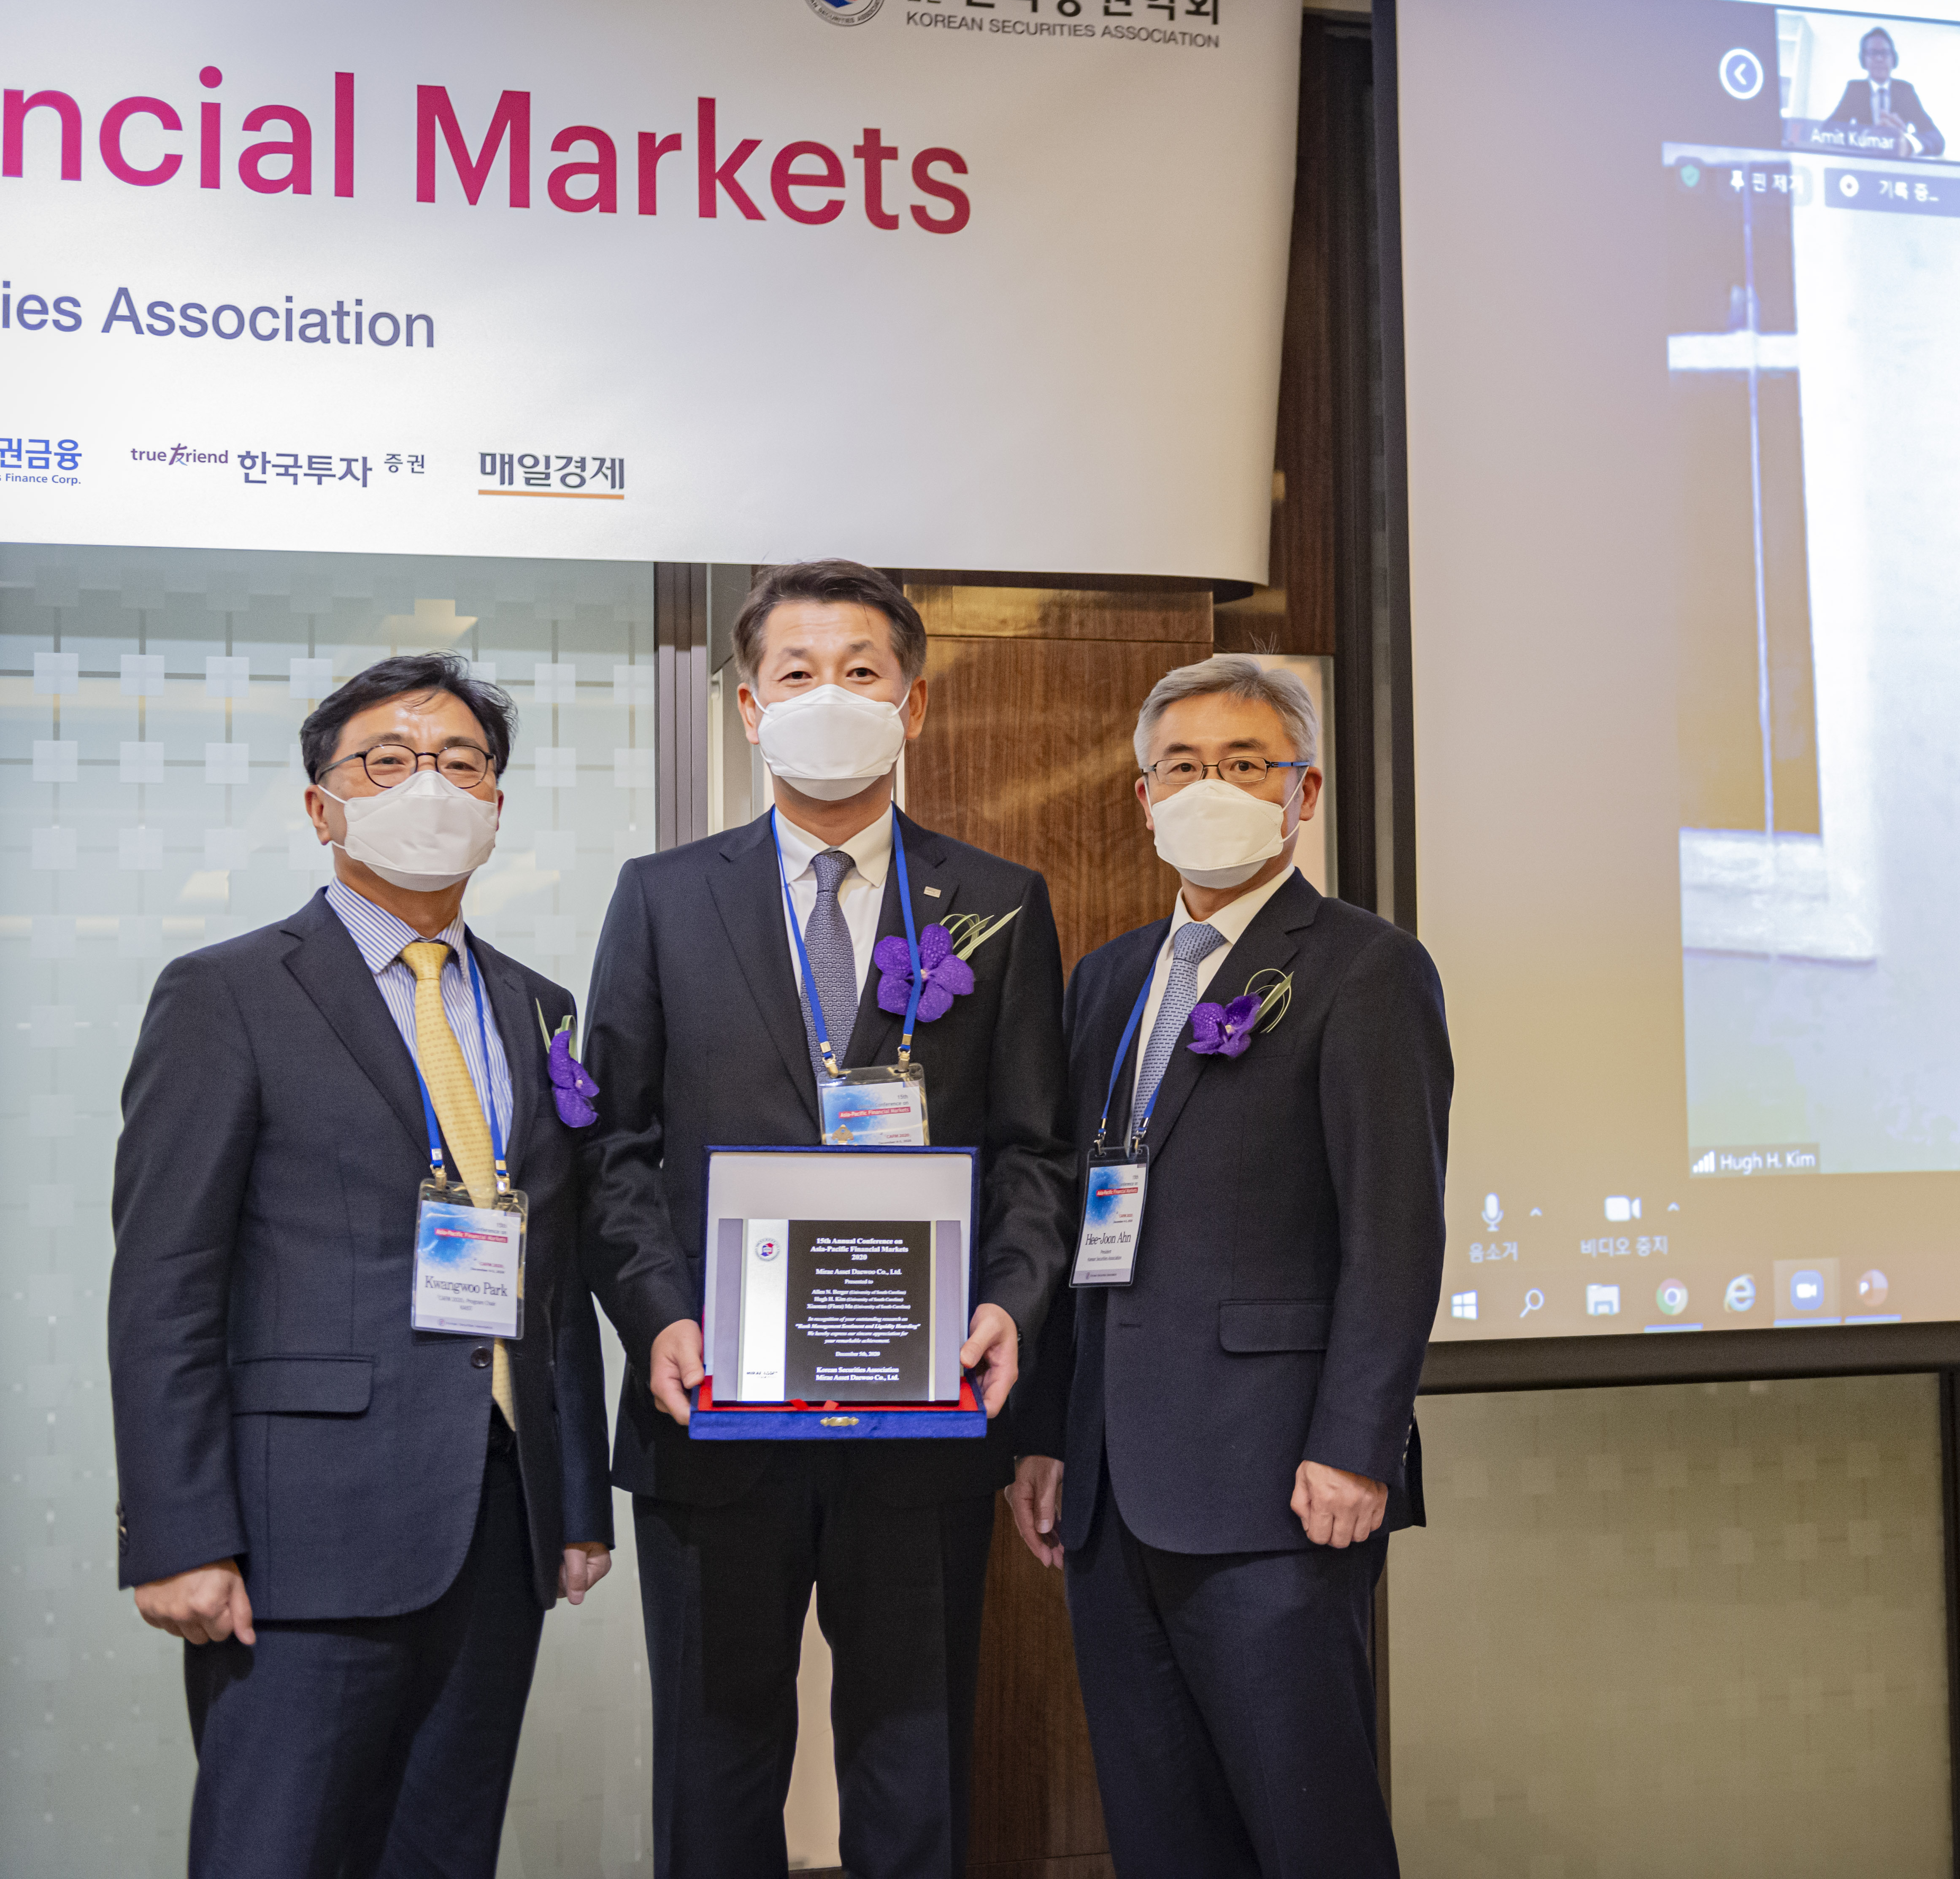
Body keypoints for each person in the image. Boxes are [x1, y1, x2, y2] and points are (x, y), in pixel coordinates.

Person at [578, 560, 1071, 1879]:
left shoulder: (1000, 900)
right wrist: (657, 1314)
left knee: (916, 1770)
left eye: (861, 670)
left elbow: (1036, 1150)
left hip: (922, 1411)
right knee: (714, 1767)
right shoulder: (662, 896)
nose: (828, 694)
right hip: (712, 1407)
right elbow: (614, 1145)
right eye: (796, 672)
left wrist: (1009, 1302)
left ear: (913, 703)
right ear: (749, 706)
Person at [109, 653, 619, 1878]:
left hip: (495, 1525)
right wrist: (177, 1531)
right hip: (300, 1535)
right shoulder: (229, 993)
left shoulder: (538, 1007)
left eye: (460, 762)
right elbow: (167, 1279)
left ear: (496, 801)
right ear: (321, 805)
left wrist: (575, 1502)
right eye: (387, 761)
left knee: (444, 1853)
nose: (428, 784)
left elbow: (549, 1277)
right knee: (278, 1851)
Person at [1008, 655, 1450, 1879]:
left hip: (1277, 1483)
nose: (1211, 787)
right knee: (1160, 1831)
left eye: (1245, 763)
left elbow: (1396, 1231)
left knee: (1309, 1830)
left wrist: (1357, 1443)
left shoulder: (1365, 968)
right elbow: (1077, 1220)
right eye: (1183, 766)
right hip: (1112, 1487)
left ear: (1302, 793)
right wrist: (1048, 1434)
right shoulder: (1108, 979)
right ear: (1143, 797)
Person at [1821, 26, 1945, 158]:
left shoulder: (1906, 91)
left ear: (1894, 59)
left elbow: (1936, 139)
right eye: (1873, 53)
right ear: (1863, 59)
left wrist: (1908, 144)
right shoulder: (1855, 90)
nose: (1879, 59)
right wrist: (1867, 138)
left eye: (1885, 53)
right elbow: (1828, 130)